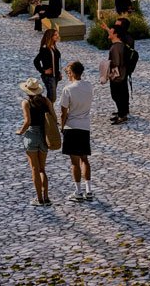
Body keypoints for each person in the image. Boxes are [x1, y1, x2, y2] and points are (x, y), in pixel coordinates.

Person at [58, 60, 94, 201]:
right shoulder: (89, 86)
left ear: (72, 73)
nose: (67, 74)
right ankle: (89, 190)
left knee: (74, 162)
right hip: (85, 126)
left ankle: (78, 192)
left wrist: (62, 127)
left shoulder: (68, 89)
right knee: (85, 159)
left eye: (68, 72)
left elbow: (63, 112)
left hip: (72, 127)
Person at [17, 77, 53, 207]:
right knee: (42, 169)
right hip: (44, 136)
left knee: (34, 169)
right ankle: (47, 198)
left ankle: (39, 199)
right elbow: (53, 116)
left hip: (32, 136)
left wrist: (20, 132)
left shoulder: (26, 103)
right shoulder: (46, 101)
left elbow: (27, 121)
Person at [102, 24, 131, 124]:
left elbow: (116, 62)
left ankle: (122, 115)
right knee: (121, 95)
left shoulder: (116, 47)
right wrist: (106, 28)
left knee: (116, 95)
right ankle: (121, 113)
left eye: (111, 30)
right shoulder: (120, 44)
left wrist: (106, 66)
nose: (109, 31)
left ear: (116, 34)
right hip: (122, 75)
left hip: (117, 76)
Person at [33, 26, 63, 103]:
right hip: (49, 77)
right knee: (52, 98)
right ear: (50, 36)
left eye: (57, 34)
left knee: (51, 97)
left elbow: (57, 61)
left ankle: (49, 112)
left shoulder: (54, 47)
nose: (57, 36)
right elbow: (36, 61)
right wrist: (43, 71)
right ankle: (47, 112)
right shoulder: (45, 48)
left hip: (55, 75)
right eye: (55, 35)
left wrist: (59, 72)